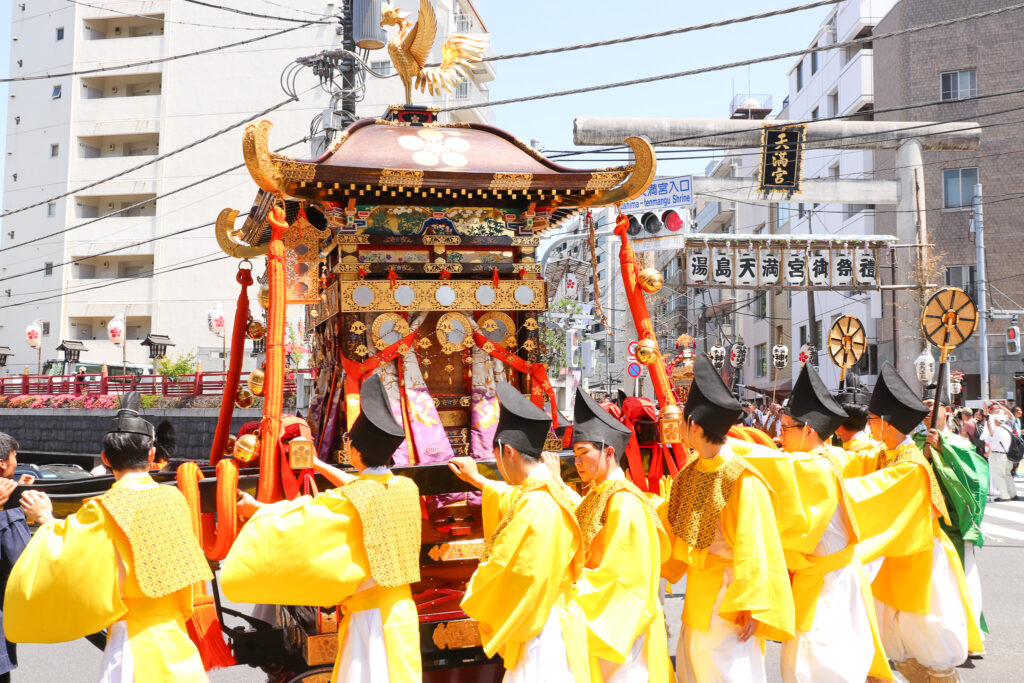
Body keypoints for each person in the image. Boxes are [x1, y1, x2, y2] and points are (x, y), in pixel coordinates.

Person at [221, 375, 422, 683]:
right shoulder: (405, 487)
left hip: (370, 618)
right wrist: (317, 464)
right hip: (402, 613)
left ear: (354, 451)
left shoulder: (348, 500)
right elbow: (366, 483)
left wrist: (256, 509)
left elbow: (301, 516)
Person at [4, 410, 212, 682]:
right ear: (152, 455)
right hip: (176, 630)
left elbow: (66, 552)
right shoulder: (174, 497)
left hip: (133, 634)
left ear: (105, 459)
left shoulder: (103, 509)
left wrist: (45, 518)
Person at [745, 365, 889, 683]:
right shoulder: (833, 456)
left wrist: (721, 447)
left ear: (809, 430)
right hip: (841, 577)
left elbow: (767, 463)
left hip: (827, 584)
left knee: (814, 665)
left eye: (786, 428)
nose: (779, 436)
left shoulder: (811, 465)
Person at [845, 362, 982, 683]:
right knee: (892, 635)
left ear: (887, 424)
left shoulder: (909, 465)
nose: (870, 425)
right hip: (898, 555)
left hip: (920, 558)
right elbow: (847, 463)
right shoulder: (886, 453)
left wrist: (827, 491)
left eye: (873, 420)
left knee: (925, 637)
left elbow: (869, 491)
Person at [660, 355, 794, 683]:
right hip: (698, 596)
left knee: (731, 673)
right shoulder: (691, 470)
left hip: (730, 600)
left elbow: (756, 546)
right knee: (694, 668)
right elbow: (672, 519)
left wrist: (751, 604)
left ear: (693, 425)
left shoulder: (743, 478)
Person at [448, 382, 589, 682]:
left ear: (508, 451)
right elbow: (511, 497)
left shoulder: (535, 503)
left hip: (540, 625)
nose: (498, 469)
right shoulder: (551, 490)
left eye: (496, 459)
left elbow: (507, 568)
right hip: (557, 616)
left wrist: (474, 592)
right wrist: (478, 480)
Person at [565, 387, 671, 682]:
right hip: (605, 619)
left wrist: (569, 592)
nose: (578, 462)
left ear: (609, 452)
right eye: (575, 454)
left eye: (584, 453)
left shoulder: (623, 500)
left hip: (623, 627)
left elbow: (622, 576)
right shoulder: (599, 493)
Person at [918, 385, 989, 644]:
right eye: (923, 405)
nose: (926, 410)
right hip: (927, 523)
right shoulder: (917, 442)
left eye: (930, 404)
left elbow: (974, 482)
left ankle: (970, 638)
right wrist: (924, 456)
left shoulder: (959, 444)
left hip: (954, 523)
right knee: (935, 585)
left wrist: (943, 450)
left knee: (963, 577)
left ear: (947, 410)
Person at [0, 434, 30, 683]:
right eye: (14, 457)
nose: (16, 461)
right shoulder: (5, 505)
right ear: (2, 463)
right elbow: (23, 559)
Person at [983, 404, 1016, 501]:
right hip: (1007, 454)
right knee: (1007, 475)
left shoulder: (997, 430)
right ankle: (1013, 493)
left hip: (998, 455)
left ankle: (1004, 496)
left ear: (997, 421)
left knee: (999, 476)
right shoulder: (1008, 428)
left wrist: (987, 453)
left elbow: (993, 443)